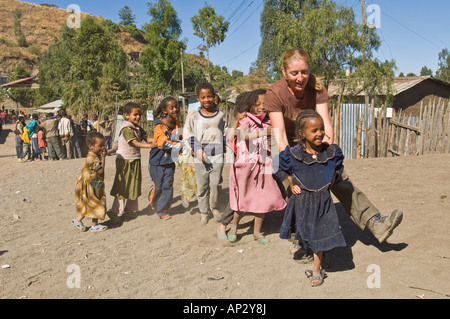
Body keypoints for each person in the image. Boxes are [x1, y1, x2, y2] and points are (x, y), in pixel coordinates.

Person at [265, 48, 403, 244]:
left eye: (304, 71)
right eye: (294, 73)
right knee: (295, 184)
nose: (300, 77)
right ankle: (301, 239)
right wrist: (293, 165)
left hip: (313, 136)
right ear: (284, 72)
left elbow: (326, 126)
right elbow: (280, 138)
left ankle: (374, 222)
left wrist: (326, 157)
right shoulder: (274, 93)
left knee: (338, 175)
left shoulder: (317, 88)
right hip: (287, 140)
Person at [278, 110, 347, 287]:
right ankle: (320, 258)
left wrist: (333, 178)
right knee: (309, 233)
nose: (319, 133)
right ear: (302, 133)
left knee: (320, 232)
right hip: (302, 201)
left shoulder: (331, 152)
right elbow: (280, 168)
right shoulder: (293, 154)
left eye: (321, 129)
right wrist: (291, 182)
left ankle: (316, 270)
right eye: (314, 130)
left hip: (323, 201)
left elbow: (338, 167)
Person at [226, 89, 286, 244]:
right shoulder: (246, 120)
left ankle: (257, 232)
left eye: (264, 104)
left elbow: (270, 143)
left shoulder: (268, 121)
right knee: (242, 200)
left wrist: (270, 139)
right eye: (257, 104)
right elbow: (242, 135)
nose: (261, 107)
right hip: (246, 166)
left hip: (263, 166)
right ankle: (234, 227)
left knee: (262, 200)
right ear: (250, 105)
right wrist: (263, 133)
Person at [184, 82, 226, 225]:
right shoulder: (194, 116)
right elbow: (188, 133)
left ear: (214, 96)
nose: (207, 99)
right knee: (202, 185)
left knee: (215, 184)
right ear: (198, 98)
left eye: (209, 96)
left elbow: (224, 132)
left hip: (217, 154)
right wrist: (197, 149)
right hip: (200, 154)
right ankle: (203, 212)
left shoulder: (220, 115)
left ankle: (214, 207)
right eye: (203, 97)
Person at [108, 103, 156, 223]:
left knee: (133, 185)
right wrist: (150, 146)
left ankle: (130, 209)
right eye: (135, 114)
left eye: (139, 114)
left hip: (134, 159)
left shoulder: (137, 127)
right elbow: (134, 143)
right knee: (122, 186)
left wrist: (159, 140)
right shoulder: (126, 128)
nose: (138, 117)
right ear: (126, 115)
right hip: (124, 160)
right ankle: (115, 211)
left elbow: (146, 138)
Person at [148, 97, 182, 221]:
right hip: (157, 161)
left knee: (167, 185)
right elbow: (162, 143)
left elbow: (181, 137)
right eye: (171, 107)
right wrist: (179, 146)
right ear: (165, 110)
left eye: (176, 106)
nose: (175, 109)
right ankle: (154, 203)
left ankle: (163, 209)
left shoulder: (177, 124)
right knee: (158, 185)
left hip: (170, 161)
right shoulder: (159, 126)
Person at [71, 131, 108, 233]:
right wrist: (104, 157)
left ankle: (78, 220)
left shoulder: (93, 154)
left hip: (94, 183)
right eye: (100, 146)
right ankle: (94, 225)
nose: (102, 148)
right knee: (95, 203)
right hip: (91, 184)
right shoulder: (92, 158)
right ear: (91, 146)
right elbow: (100, 170)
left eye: (103, 145)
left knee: (90, 204)